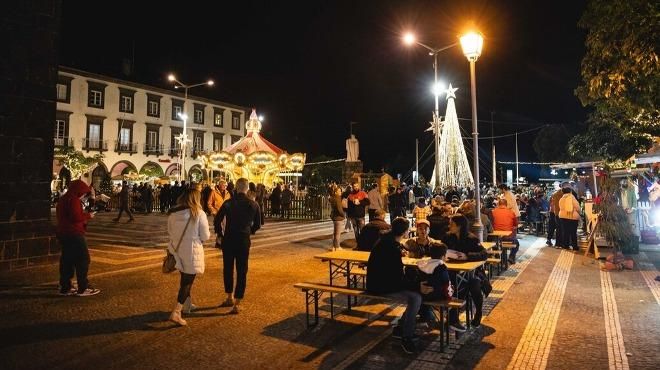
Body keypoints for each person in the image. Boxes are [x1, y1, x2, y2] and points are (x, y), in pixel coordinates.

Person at [366, 217, 422, 354]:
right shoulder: (392, 248)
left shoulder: (384, 241)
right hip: (381, 287)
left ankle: (401, 328)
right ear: (405, 232)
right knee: (416, 297)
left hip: (376, 282)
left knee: (416, 292)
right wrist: (417, 286)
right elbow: (397, 279)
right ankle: (406, 337)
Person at [215, 178, 261, 314]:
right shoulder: (253, 205)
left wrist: (220, 234)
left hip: (228, 239)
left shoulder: (228, 203)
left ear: (236, 187)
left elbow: (218, 219)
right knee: (242, 270)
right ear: (247, 189)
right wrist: (250, 231)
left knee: (227, 268)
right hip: (243, 240)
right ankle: (237, 302)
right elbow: (257, 224)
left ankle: (229, 296)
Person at [166, 187, 211, 326]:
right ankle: (177, 311)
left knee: (184, 278)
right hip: (192, 252)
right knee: (187, 282)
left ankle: (187, 305)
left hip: (177, 250)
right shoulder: (198, 213)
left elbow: (170, 232)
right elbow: (205, 236)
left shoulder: (173, 214)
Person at [56, 180, 100, 297]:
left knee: (67, 260)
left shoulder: (64, 198)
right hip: (74, 233)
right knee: (83, 259)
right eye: (83, 192)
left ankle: (65, 286)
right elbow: (76, 217)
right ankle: (83, 287)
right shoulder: (74, 200)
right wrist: (88, 216)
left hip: (64, 232)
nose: (83, 195)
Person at [443, 214, 488, 328]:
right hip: (452, 272)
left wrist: (467, 256)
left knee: (473, 284)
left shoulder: (471, 239)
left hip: (472, 272)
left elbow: (484, 254)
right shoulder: (448, 237)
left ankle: (478, 312)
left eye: (452, 224)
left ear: (459, 226)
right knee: (452, 285)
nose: (449, 226)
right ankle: (453, 318)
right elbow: (441, 249)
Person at [491, 199, 520, 264]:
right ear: (506, 205)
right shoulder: (511, 212)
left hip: (496, 238)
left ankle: (497, 255)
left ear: (498, 204)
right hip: (508, 237)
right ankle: (511, 257)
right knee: (517, 243)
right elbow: (516, 224)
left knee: (493, 244)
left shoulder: (493, 212)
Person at [558, 187, 580, 251]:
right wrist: (579, 213)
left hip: (563, 217)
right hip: (572, 217)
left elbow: (561, 207)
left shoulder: (561, 199)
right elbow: (577, 207)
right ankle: (574, 246)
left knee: (565, 232)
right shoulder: (572, 198)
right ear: (570, 191)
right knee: (573, 232)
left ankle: (565, 245)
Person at [329, 185, 345, 251]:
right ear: (335, 192)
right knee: (338, 233)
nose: (340, 192)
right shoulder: (338, 198)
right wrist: (343, 215)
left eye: (340, 191)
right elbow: (339, 209)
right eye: (339, 191)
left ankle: (334, 247)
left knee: (335, 233)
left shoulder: (332, 198)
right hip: (338, 217)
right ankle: (337, 247)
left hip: (334, 217)